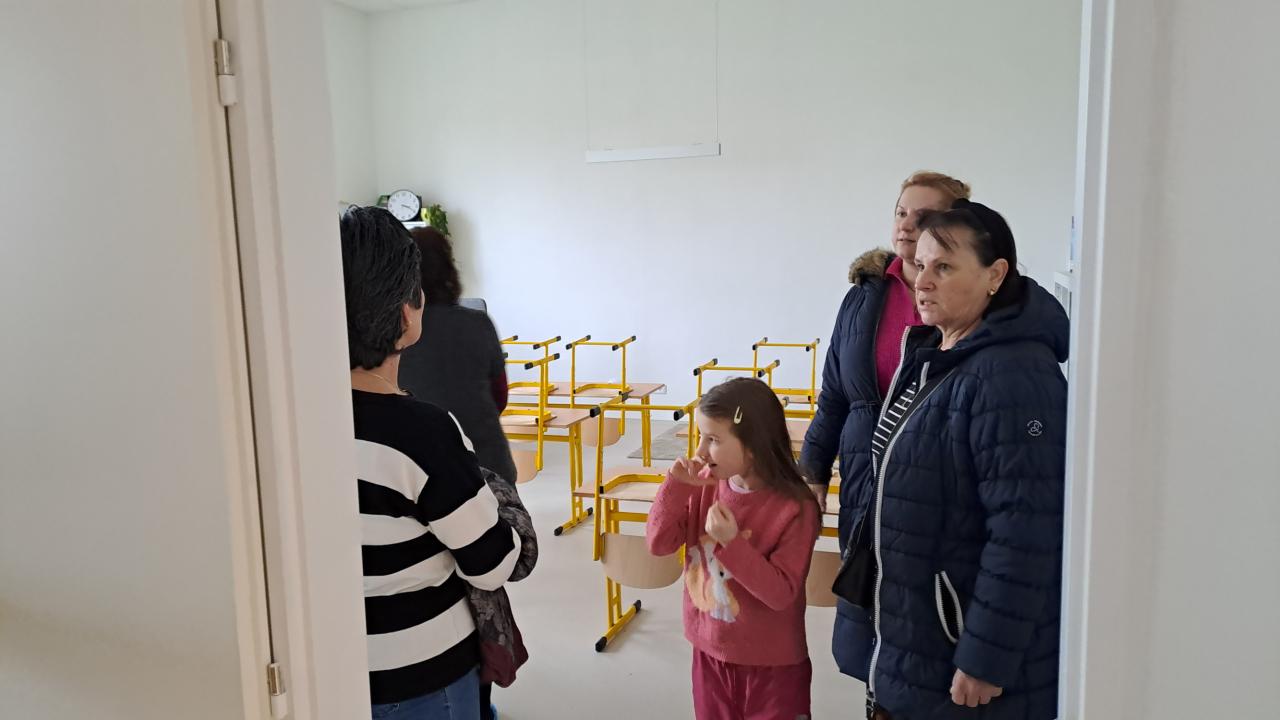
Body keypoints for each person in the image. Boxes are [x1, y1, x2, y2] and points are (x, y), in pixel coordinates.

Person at [862, 200, 1068, 719]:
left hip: (962, 661)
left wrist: (985, 658)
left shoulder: (1014, 375)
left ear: (995, 274)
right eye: (920, 265)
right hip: (920, 639)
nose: (923, 281)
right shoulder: (938, 354)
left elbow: (1025, 533)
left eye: (945, 267)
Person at [340, 207, 521, 720]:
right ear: (406, 313)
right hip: (422, 674)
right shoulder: (425, 432)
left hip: (335, 665)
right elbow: (493, 564)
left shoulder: (289, 421)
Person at [799, 171, 972, 683]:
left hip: (932, 486)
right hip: (861, 477)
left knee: (924, 633)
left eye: (924, 217)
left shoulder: (967, 300)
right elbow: (835, 393)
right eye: (901, 213)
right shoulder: (865, 295)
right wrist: (812, 470)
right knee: (867, 630)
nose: (906, 225)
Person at [646, 378, 821, 720]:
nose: (700, 451)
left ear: (753, 446)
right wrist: (675, 488)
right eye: (701, 437)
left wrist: (732, 543)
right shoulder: (704, 486)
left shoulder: (796, 508)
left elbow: (780, 594)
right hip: (709, 652)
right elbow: (658, 543)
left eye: (712, 440)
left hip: (773, 666)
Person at [399, 226, 517, 487]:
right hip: (487, 460)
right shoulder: (478, 323)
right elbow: (499, 395)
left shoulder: (394, 333)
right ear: (449, 268)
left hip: (423, 468)